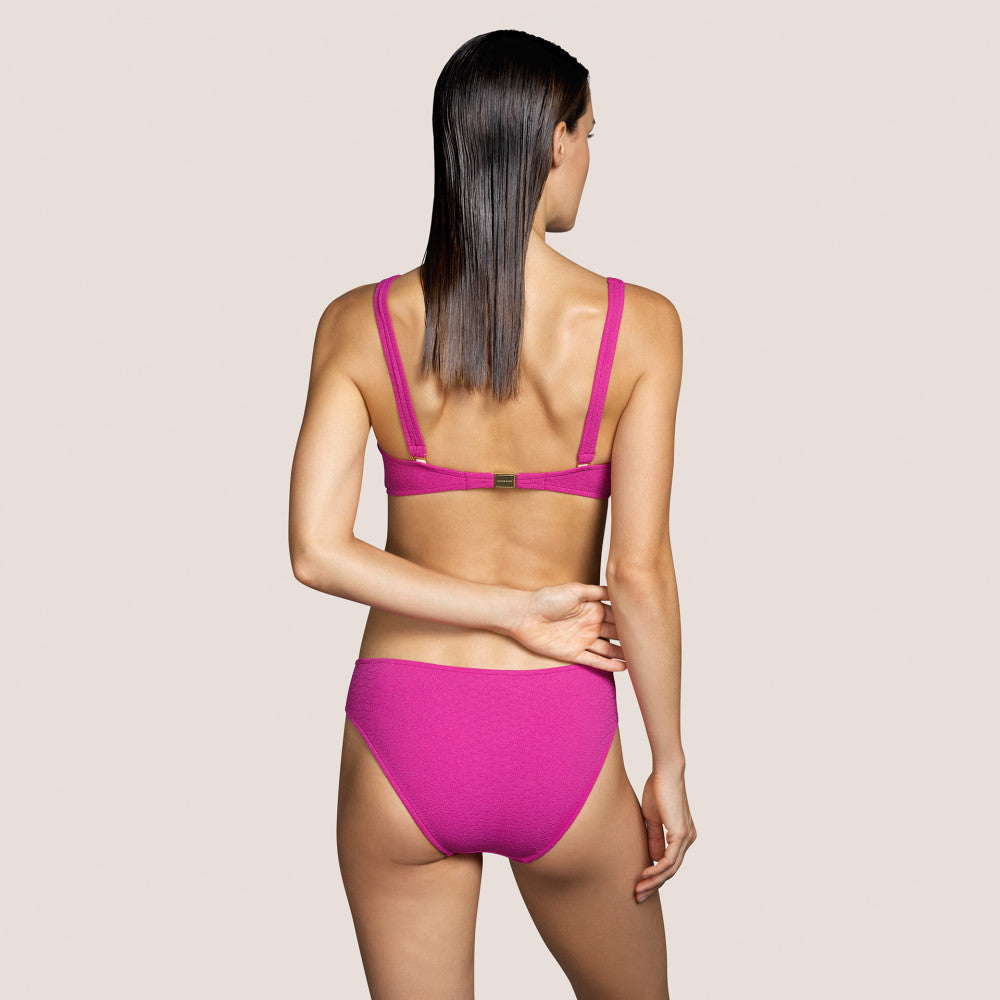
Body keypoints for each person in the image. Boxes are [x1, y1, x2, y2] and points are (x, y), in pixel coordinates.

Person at [288, 28, 694, 1000]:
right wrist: (669, 763)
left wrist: (498, 611)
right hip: (558, 730)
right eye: (588, 134)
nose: (588, 158)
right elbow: (637, 572)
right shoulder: (641, 328)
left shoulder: (358, 323)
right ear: (553, 142)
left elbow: (316, 551)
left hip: (404, 731)